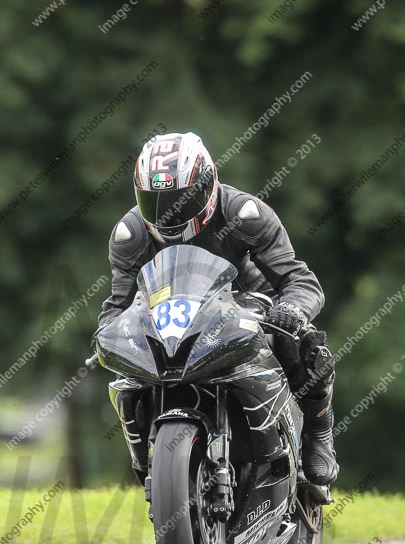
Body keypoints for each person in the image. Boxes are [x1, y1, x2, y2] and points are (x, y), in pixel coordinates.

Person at [93, 131, 338, 488]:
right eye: (154, 201)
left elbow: (300, 280)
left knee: (303, 344)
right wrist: (107, 336)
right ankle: (146, 455)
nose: (168, 212)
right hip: (171, 321)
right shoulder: (129, 235)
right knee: (126, 376)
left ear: (207, 183)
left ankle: (319, 432)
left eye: (180, 197)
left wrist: (291, 310)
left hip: (249, 306)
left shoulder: (245, 213)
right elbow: (117, 304)